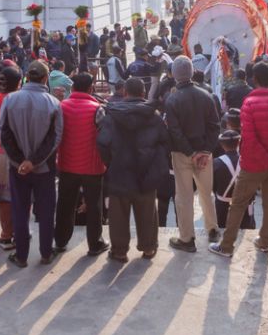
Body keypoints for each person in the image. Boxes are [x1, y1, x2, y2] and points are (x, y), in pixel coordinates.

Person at [210, 63, 268, 258]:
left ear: (254, 79)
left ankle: (227, 245)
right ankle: (264, 242)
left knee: (239, 203)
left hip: (253, 164)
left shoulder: (249, 104)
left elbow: (249, 138)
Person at [97, 76, 169, 262]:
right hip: (146, 172)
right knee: (147, 212)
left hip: (119, 171)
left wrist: (111, 163)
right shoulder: (154, 117)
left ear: (125, 92)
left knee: (118, 215)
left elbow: (103, 144)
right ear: (143, 93)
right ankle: (149, 247)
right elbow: (165, 143)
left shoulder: (111, 115)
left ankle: (119, 251)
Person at [0, 60, 64, 268]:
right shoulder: (53, 103)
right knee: (45, 211)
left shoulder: (10, 100)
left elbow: (3, 134)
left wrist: (21, 161)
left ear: (27, 76)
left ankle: (21, 255)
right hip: (43, 168)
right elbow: (54, 139)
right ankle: (46, 252)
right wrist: (32, 161)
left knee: (20, 209)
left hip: (18, 168)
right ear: (45, 78)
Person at [165, 56, 221, 251]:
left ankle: (187, 238)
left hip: (182, 154)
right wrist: (205, 151)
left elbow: (175, 131)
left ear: (174, 75)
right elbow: (215, 126)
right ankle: (212, 228)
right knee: (207, 192)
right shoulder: (206, 95)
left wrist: (191, 152)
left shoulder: (172, 99)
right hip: (205, 154)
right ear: (191, 72)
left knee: (184, 196)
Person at [54, 73, 108, 256]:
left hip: (67, 165)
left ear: (73, 88)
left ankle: (60, 240)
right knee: (94, 206)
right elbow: (105, 138)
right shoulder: (97, 109)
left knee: (65, 204)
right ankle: (95, 243)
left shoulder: (62, 107)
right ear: (90, 88)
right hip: (92, 167)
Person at [0, 67, 21, 249]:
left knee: (3, 196)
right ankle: (19, 232)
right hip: (17, 150)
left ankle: (6, 235)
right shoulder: (16, 100)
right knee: (20, 194)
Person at [213, 130, 255, 230]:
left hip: (222, 205)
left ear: (222, 145)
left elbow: (213, 186)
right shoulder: (248, 161)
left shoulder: (216, 163)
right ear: (239, 143)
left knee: (222, 230)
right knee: (244, 232)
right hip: (243, 204)